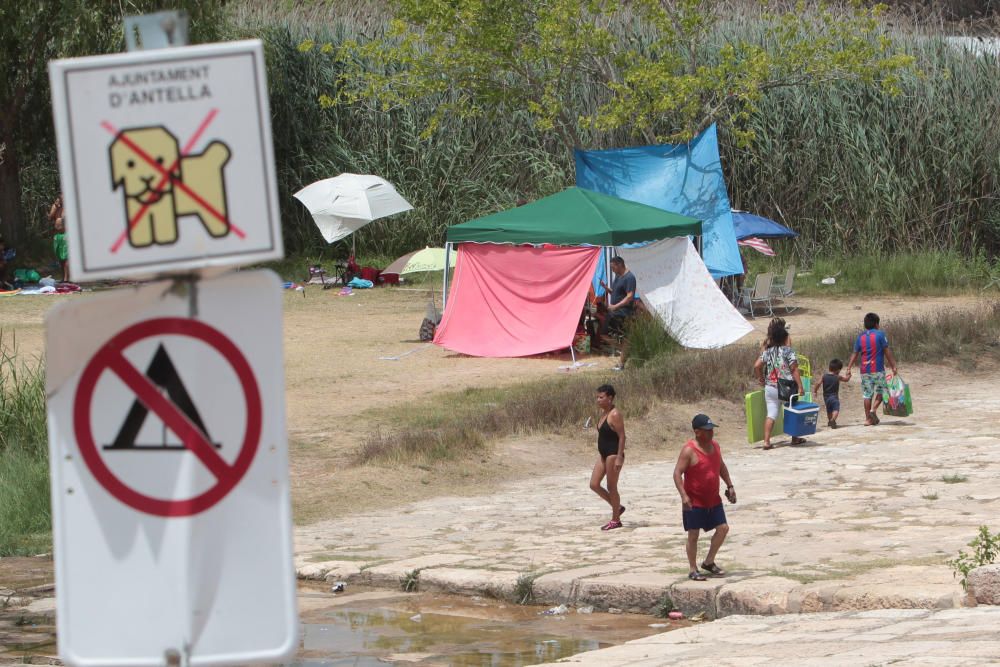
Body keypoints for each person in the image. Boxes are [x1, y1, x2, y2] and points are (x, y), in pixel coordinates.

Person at [673, 414, 735, 581]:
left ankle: (709, 562)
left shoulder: (715, 446)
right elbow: (677, 473)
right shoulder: (688, 450)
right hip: (694, 501)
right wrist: (683, 495)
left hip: (713, 499)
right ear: (697, 432)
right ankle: (693, 569)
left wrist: (730, 485)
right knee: (693, 534)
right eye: (707, 431)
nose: (711, 433)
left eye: (712, 429)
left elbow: (721, 466)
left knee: (723, 528)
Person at [753, 324, 804, 449]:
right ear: (784, 338)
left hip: (770, 387)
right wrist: (800, 386)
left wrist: (761, 378)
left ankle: (766, 441)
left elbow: (756, 365)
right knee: (792, 411)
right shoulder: (788, 351)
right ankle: (795, 438)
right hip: (786, 387)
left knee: (771, 414)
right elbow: (794, 369)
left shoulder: (768, 351)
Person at [845, 312, 898, 426]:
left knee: (867, 394)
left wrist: (849, 367)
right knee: (882, 392)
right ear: (876, 324)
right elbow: (887, 351)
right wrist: (893, 365)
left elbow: (855, 353)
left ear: (865, 325)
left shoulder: (861, 337)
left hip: (864, 371)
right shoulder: (880, 335)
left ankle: (868, 419)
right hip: (878, 369)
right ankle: (873, 410)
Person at [590, 384, 626, 531]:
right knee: (594, 484)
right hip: (603, 454)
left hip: (613, 454)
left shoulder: (615, 414)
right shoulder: (603, 413)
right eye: (597, 397)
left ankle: (615, 520)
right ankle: (617, 507)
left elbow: (622, 436)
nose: (598, 400)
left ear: (610, 398)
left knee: (612, 487)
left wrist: (619, 457)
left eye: (601, 397)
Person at [599, 256, 636, 336]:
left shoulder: (629, 277)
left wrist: (615, 306)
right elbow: (615, 293)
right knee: (600, 320)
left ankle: (610, 343)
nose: (612, 270)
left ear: (619, 265)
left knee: (609, 328)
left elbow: (630, 297)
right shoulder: (618, 276)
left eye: (613, 267)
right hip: (615, 311)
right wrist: (605, 288)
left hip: (623, 312)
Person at [814, 358, 849, 428]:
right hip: (834, 397)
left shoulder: (824, 376)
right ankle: (833, 419)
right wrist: (849, 375)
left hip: (826, 397)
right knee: (836, 409)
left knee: (829, 410)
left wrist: (815, 391)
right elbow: (846, 380)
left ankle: (830, 420)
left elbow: (818, 383)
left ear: (829, 367)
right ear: (838, 370)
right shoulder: (838, 377)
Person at [53, 216, 69, 282]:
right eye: (56, 224)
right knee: (61, 263)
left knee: (66, 263)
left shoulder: (68, 234)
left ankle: (66, 278)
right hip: (60, 251)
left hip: (66, 251)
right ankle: (63, 277)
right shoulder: (57, 235)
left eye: (58, 224)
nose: (56, 226)